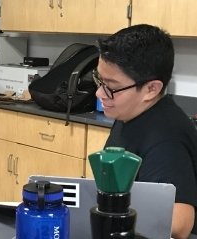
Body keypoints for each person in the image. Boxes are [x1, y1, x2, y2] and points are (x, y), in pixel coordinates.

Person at [94, 24, 197, 239]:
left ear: (151, 89)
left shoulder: (166, 139)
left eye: (111, 86)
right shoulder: (130, 112)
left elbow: (179, 224)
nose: (99, 92)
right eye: (100, 80)